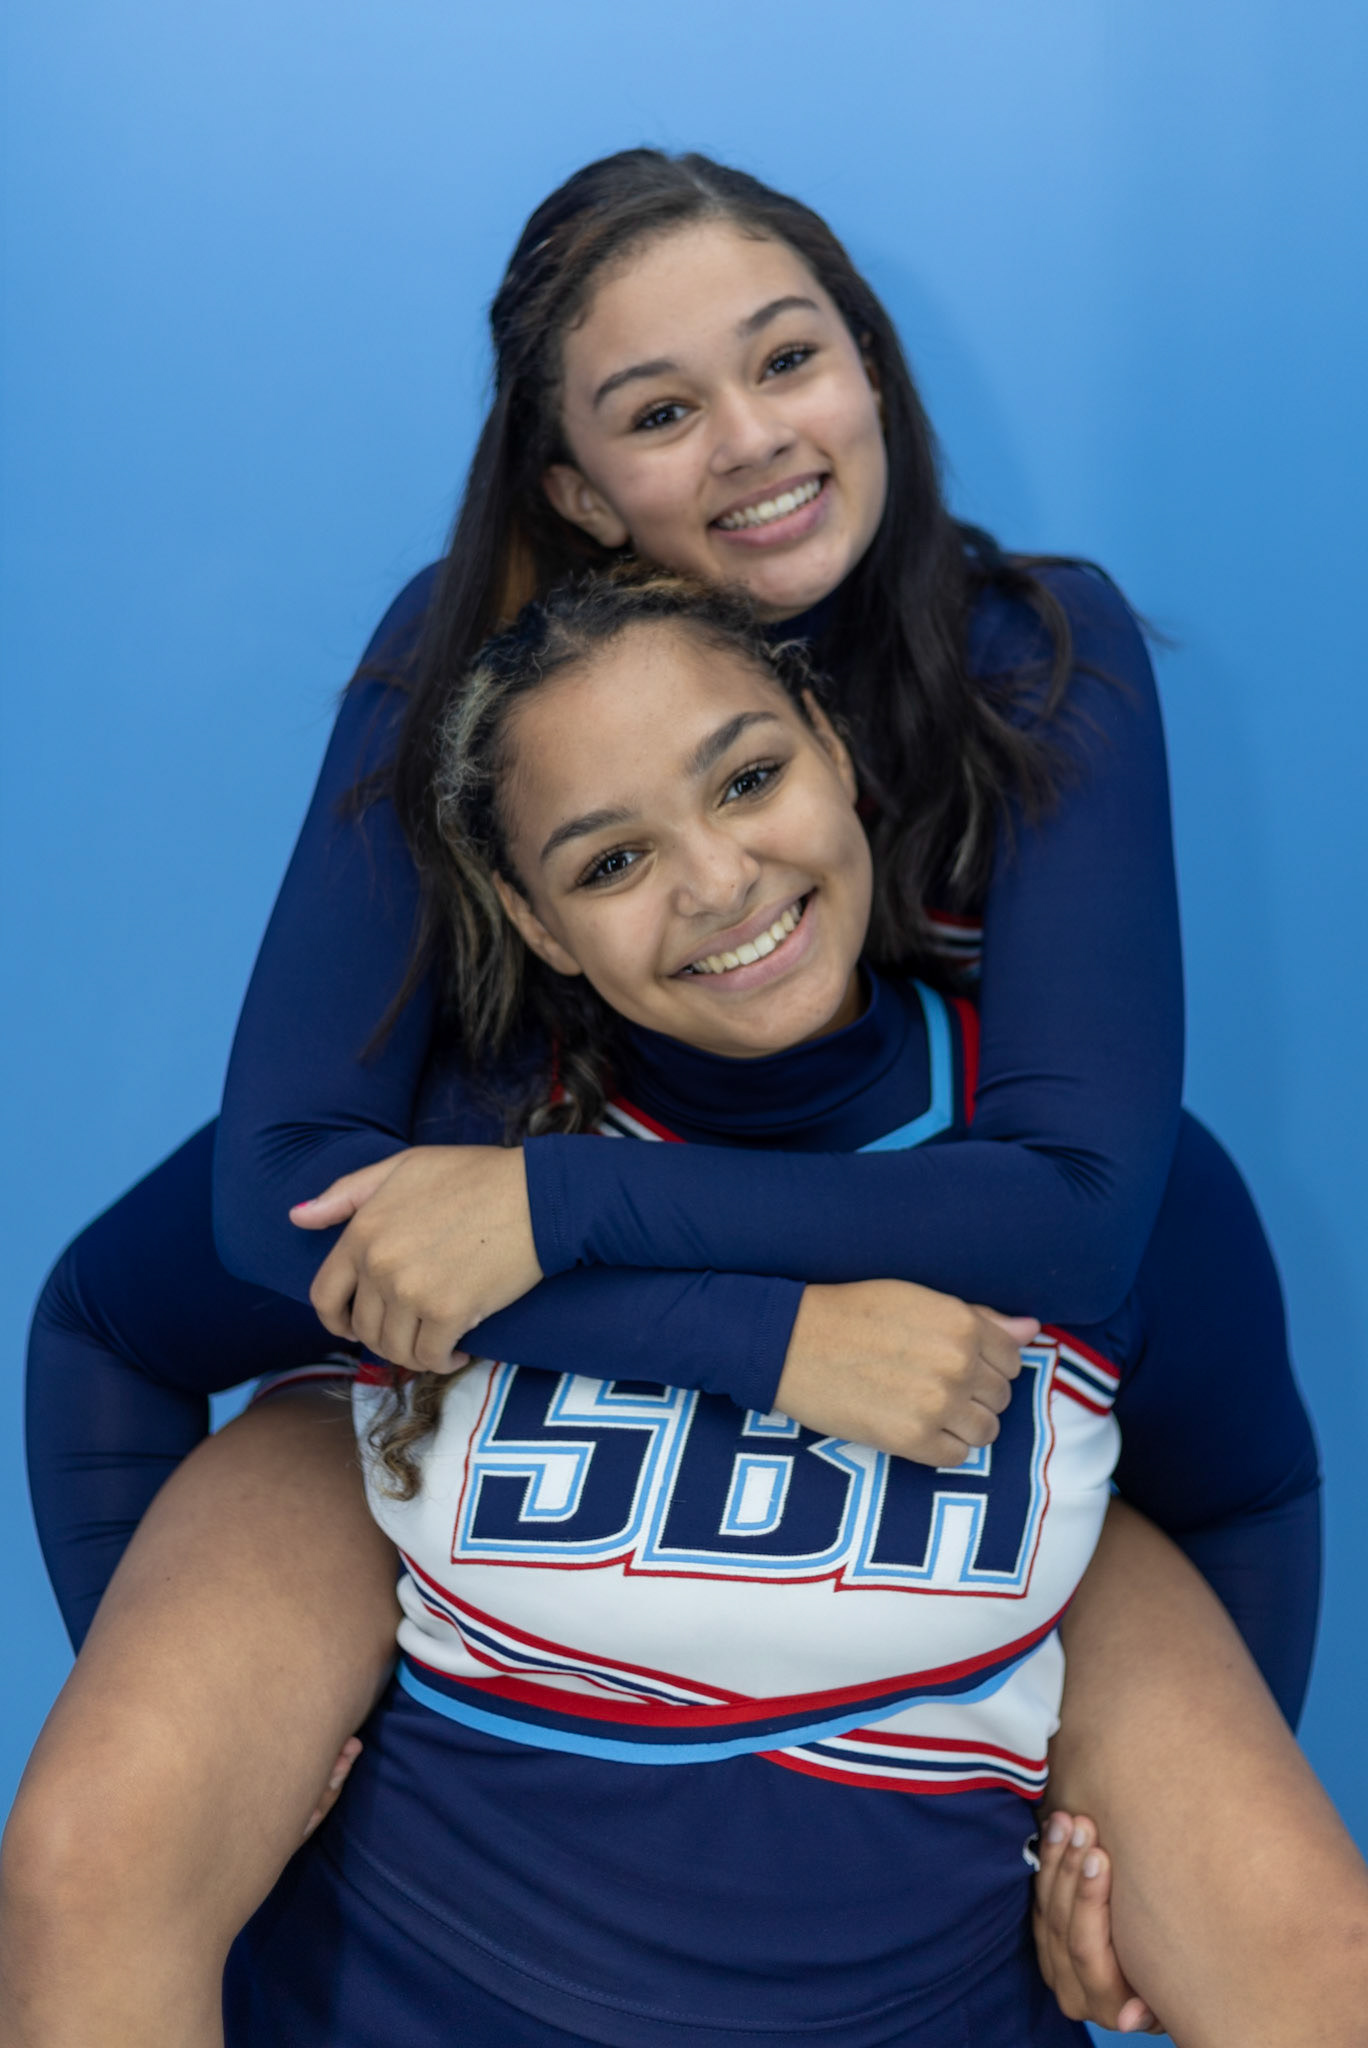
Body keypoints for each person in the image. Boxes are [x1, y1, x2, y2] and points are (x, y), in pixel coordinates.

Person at [7, 150, 1322, 2038]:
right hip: (522, 1308)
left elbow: (1081, 1209)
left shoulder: (1033, 649)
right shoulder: (453, 676)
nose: (751, 443)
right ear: (571, 490)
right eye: (656, 410)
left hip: (981, 1360)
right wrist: (236, 1727)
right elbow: (260, 1206)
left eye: (790, 359)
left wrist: (569, 1222)